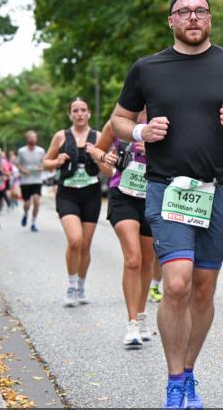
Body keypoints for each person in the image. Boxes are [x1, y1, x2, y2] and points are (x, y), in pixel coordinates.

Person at [101, 0, 223, 410]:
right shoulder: (147, 68)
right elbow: (119, 119)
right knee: (176, 284)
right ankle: (174, 380)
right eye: (184, 11)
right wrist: (140, 133)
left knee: (202, 289)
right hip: (167, 188)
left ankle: (190, 370)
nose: (193, 17)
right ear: (171, 21)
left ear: (210, 19)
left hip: (219, 190)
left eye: (200, 11)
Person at [45, 98, 117, 307]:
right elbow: (46, 163)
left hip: (91, 194)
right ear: (70, 115)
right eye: (75, 110)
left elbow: (109, 172)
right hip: (67, 193)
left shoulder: (98, 137)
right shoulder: (61, 136)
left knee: (85, 245)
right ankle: (70, 285)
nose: (79, 114)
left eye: (83, 110)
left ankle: (81, 287)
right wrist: (56, 161)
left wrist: (97, 157)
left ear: (89, 113)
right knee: (75, 240)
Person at [94, 116, 155, 349]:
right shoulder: (119, 121)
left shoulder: (163, 118)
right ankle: (132, 324)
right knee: (133, 258)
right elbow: (97, 150)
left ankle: (141, 315)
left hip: (152, 195)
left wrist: (155, 151)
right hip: (122, 194)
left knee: (148, 261)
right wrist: (105, 159)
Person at [17, 131, 46, 232]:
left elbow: (45, 162)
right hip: (25, 181)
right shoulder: (21, 151)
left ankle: (33, 222)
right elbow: (18, 164)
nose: (32, 139)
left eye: (34, 137)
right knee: (27, 203)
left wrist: (42, 167)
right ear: (27, 139)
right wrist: (23, 170)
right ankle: (25, 214)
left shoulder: (41, 151)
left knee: (37, 201)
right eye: (30, 137)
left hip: (37, 180)